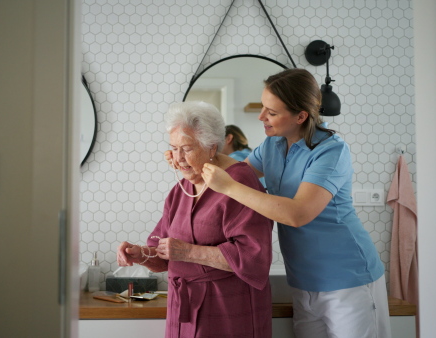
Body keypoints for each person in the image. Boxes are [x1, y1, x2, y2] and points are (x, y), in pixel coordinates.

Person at [168, 69, 392, 338]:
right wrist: (187, 157)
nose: (261, 116)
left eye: (271, 112)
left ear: (301, 116)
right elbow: (239, 170)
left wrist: (229, 186)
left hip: (349, 281)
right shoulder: (272, 146)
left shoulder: (331, 151)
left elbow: (297, 214)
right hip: (303, 282)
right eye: (263, 107)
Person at [117, 101, 274, 338]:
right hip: (183, 311)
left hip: (228, 310)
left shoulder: (239, 182)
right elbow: (163, 255)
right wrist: (140, 254)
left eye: (187, 149)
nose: (177, 159)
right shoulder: (180, 189)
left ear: (212, 147)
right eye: (173, 148)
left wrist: (188, 252)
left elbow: (254, 258)